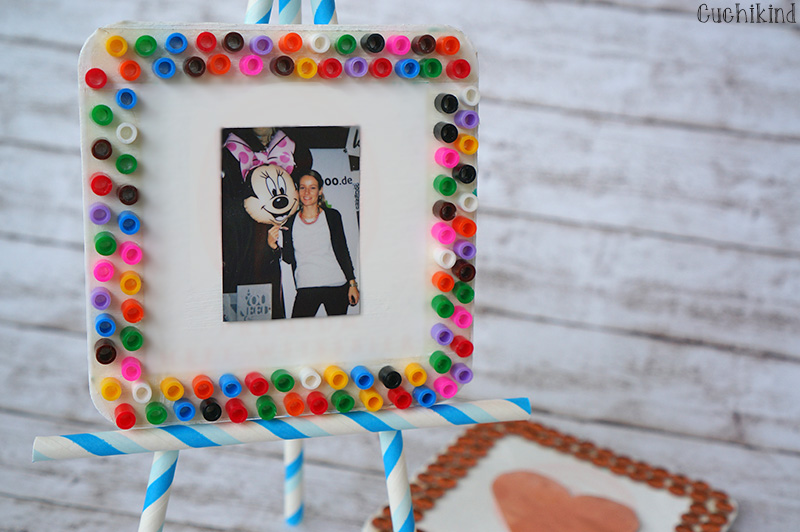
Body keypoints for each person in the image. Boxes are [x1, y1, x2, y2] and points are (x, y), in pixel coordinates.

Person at [268, 170, 359, 317]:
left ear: (320, 191)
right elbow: (289, 258)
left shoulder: (332, 216)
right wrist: (274, 246)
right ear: (297, 191)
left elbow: (342, 251)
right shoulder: (290, 222)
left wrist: (352, 283)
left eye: (312, 187)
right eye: (302, 187)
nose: (307, 192)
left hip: (336, 285)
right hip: (306, 287)